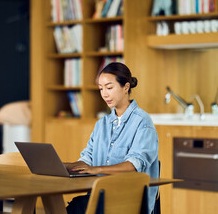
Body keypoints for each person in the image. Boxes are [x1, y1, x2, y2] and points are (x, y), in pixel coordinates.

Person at [65, 62, 159, 213]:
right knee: (75, 206)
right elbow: (88, 158)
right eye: (101, 89)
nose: (104, 94)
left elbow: (133, 165)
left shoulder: (142, 122)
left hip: (130, 200)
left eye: (109, 87)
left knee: (77, 207)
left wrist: (94, 169)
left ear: (126, 87)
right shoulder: (101, 124)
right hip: (100, 195)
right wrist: (67, 166)